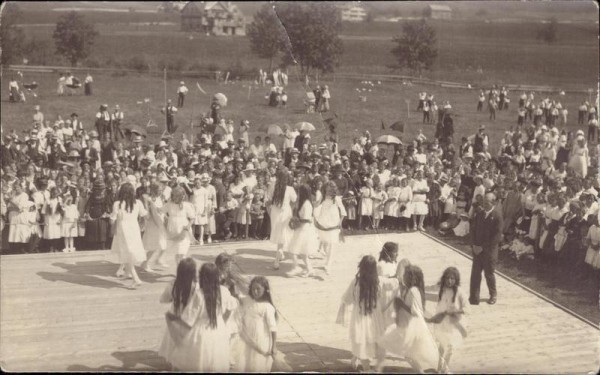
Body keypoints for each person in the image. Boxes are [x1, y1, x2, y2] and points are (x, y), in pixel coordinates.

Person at [161, 262, 238, 371]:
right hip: (219, 330)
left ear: (202, 277)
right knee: (216, 360)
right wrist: (223, 321)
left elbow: (188, 319)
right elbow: (232, 307)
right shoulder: (224, 290)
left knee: (200, 361)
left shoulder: (199, 294)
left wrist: (172, 320)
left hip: (201, 332)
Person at [376, 264, 440, 373]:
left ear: (412, 278)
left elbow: (415, 311)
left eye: (405, 275)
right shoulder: (411, 289)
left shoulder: (413, 291)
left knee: (407, 351)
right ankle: (422, 371)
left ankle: (426, 371)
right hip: (411, 325)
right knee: (410, 353)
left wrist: (401, 304)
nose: (403, 276)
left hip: (413, 326)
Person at [337, 255, 396, 372]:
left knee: (361, 342)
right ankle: (370, 367)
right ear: (374, 268)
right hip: (375, 317)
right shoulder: (379, 281)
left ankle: (366, 368)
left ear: (361, 267)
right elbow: (395, 286)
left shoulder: (355, 282)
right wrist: (386, 306)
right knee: (373, 342)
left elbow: (346, 299)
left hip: (360, 317)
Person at [158, 257, 198, 370]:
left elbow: (163, 299)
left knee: (174, 339)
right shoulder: (196, 285)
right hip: (190, 317)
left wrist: (174, 298)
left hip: (175, 315)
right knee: (189, 339)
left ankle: (174, 363)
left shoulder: (173, 284)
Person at [234, 276, 278, 372]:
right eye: (253, 289)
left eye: (258, 289)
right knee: (244, 363)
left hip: (260, 341)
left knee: (257, 364)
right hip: (246, 339)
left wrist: (274, 347)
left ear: (265, 290)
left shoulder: (267, 307)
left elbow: (273, 328)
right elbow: (237, 296)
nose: (255, 291)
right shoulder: (247, 300)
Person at [429, 267, 468, 373]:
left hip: (453, 323)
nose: (449, 281)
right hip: (441, 322)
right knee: (442, 345)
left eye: (452, 279)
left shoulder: (459, 292)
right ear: (444, 278)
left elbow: (465, 308)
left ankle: (445, 367)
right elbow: (429, 290)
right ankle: (440, 367)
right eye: (447, 278)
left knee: (450, 347)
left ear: (456, 280)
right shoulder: (441, 289)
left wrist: (455, 311)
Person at [110, 182, 147, 289]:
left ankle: (136, 279)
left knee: (126, 254)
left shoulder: (117, 204)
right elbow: (144, 215)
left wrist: (112, 223)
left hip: (123, 231)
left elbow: (112, 219)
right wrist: (141, 225)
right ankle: (127, 274)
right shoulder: (138, 203)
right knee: (129, 252)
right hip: (134, 230)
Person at [469, 192, 503, 305]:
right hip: (477, 250)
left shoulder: (497, 216)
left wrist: (482, 247)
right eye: (483, 202)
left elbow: (496, 237)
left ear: (493, 202)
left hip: (489, 252)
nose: (484, 204)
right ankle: (474, 297)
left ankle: (493, 294)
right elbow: (473, 229)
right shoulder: (479, 214)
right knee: (475, 274)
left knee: (489, 274)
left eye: (486, 202)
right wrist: (474, 244)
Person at [313, 181, 347, 275]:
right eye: (326, 190)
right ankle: (328, 258)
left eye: (330, 190)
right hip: (323, 224)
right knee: (325, 243)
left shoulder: (336, 199)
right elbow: (316, 205)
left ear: (333, 190)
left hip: (333, 224)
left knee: (332, 244)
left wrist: (340, 222)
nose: (328, 192)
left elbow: (343, 212)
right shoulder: (322, 197)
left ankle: (328, 265)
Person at [286, 184, 319, 277]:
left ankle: (296, 267)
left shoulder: (307, 204)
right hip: (301, 228)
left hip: (304, 229)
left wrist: (296, 220)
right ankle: (310, 269)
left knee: (293, 250)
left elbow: (307, 219)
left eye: (299, 192)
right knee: (303, 253)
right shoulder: (304, 203)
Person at [268, 168, 297, 270]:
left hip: (275, 212)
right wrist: (291, 208)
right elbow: (294, 200)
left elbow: (269, 199)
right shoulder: (290, 189)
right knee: (283, 233)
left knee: (278, 233)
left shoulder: (272, 186)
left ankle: (280, 254)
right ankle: (278, 256)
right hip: (285, 212)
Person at [163, 186, 195, 266]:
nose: (175, 197)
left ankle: (183, 269)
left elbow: (192, 217)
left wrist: (188, 225)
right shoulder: (169, 205)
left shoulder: (186, 205)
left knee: (182, 251)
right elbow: (160, 211)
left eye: (178, 196)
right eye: (174, 195)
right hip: (173, 230)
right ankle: (179, 270)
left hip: (183, 230)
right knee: (177, 253)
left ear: (182, 196)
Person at [142, 182, 168, 272]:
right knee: (154, 246)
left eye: (161, 190)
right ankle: (145, 264)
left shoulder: (160, 198)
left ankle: (158, 259)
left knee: (164, 244)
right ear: (154, 190)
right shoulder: (150, 199)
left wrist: (165, 218)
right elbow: (150, 213)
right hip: (154, 225)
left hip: (161, 223)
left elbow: (162, 211)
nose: (160, 192)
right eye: (159, 190)